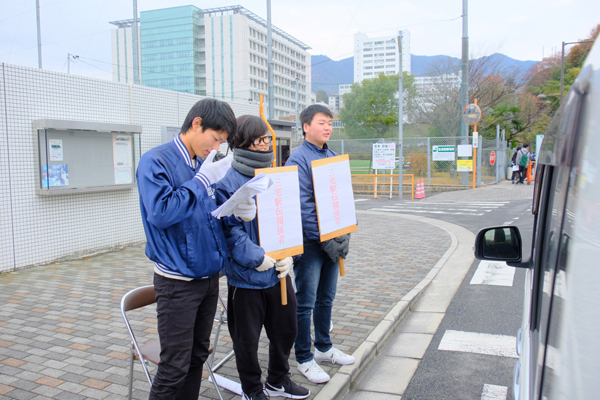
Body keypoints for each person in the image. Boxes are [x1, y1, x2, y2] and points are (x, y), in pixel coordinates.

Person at [136, 98, 256, 399]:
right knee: (174, 365)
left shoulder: (204, 163)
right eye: (215, 139)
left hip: (208, 277)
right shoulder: (156, 161)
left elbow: (209, 214)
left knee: (196, 358)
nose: (216, 148)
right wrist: (202, 180)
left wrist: (237, 206)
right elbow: (161, 213)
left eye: (223, 143)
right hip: (177, 280)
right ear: (197, 123)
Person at [215, 115, 310, 400]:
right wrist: (259, 258)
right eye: (259, 140)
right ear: (241, 142)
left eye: (268, 139)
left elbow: (288, 217)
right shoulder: (228, 181)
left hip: (279, 273)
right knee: (247, 340)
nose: (265, 144)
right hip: (246, 279)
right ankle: (252, 389)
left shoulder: (274, 175)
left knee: (286, 328)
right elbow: (229, 231)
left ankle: (278, 379)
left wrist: (289, 254)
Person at [285, 105, 354, 384]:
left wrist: (343, 235)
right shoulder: (297, 160)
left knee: (326, 299)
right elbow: (304, 207)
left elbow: (343, 200)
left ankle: (324, 347)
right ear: (305, 126)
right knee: (305, 302)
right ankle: (304, 357)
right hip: (310, 245)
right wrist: (326, 239)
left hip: (332, 242)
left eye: (330, 124)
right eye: (322, 123)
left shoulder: (334, 157)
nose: (327, 128)